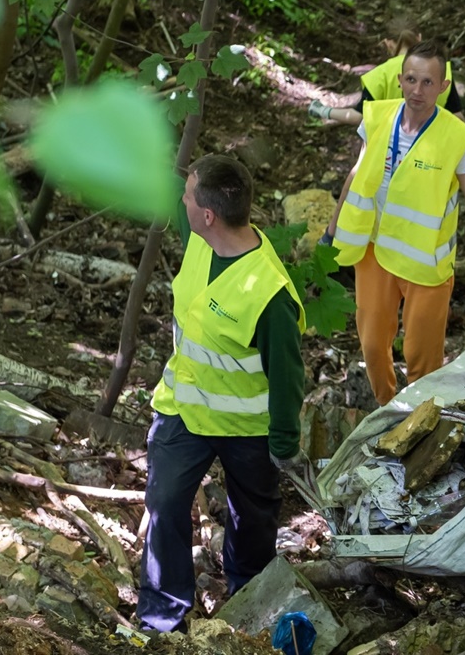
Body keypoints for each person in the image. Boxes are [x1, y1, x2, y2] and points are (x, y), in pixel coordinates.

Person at [137, 155, 308, 634]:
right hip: (184, 410)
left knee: (253, 518)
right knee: (166, 502)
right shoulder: (199, 236)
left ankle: (247, 602)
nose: (181, 202)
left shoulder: (268, 293)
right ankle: (162, 616)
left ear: (207, 215)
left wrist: (283, 444)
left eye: (188, 197)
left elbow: (287, 375)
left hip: (245, 427)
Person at [329, 39, 465, 406]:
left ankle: (422, 422)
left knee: (421, 354)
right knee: (372, 343)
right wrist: (330, 230)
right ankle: (388, 410)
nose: (418, 90)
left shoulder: (456, 137)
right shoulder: (378, 118)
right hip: (375, 252)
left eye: (428, 82)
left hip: (426, 263)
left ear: (444, 87)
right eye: (411, 79)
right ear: (399, 80)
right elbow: (356, 173)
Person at [307, 27, 465, 126]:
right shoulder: (440, 72)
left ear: (388, 44)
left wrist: (323, 111)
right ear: (419, 38)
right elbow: (458, 117)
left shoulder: (379, 75)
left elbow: (360, 116)